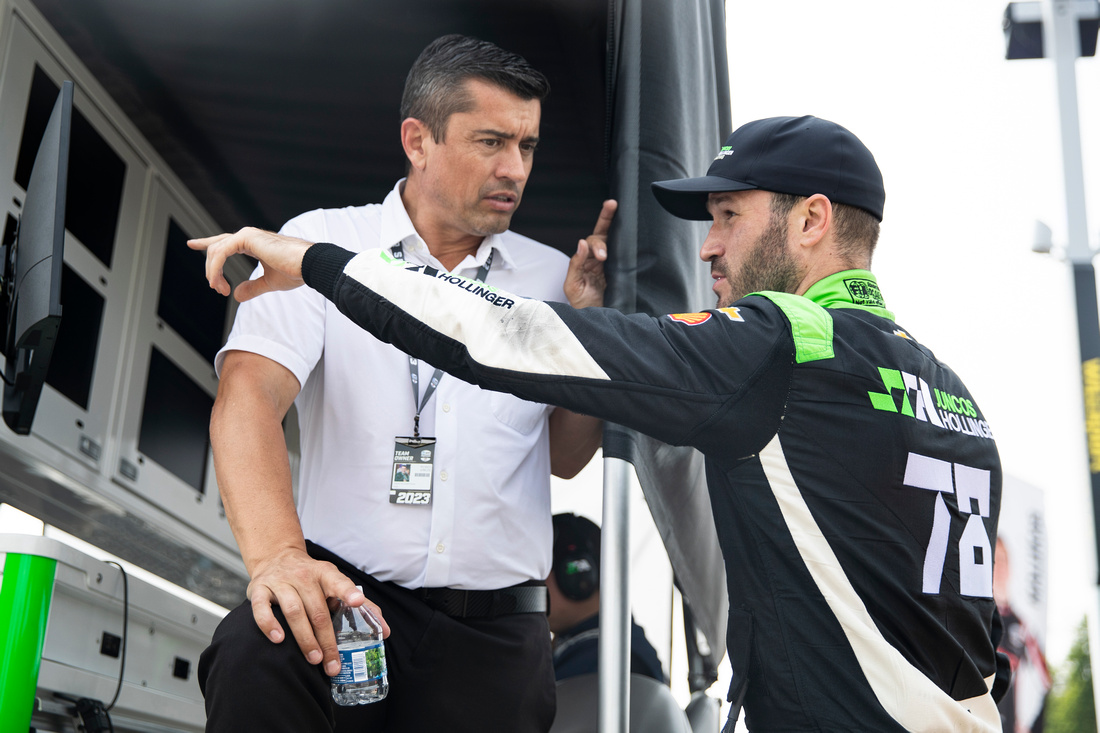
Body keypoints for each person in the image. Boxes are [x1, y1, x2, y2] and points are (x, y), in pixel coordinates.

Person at [193, 114, 1012, 732]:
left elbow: (510, 337)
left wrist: (319, 263)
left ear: (812, 220)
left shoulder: (780, 344)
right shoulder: (956, 396)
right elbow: (978, 636)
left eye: (729, 215)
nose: (708, 248)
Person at [196, 34, 614, 733]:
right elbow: (248, 399)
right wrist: (279, 559)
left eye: (527, 146)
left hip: (497, 642)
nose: (514, 169)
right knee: (252, 650)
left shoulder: (556, 282)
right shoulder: (317, 244)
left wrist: (591, 330)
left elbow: (567, 457)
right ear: (418, 141)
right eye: (491, 142)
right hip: (347, 603)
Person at [547, 513, 666, 684]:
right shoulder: (598, 647)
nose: (529, 582)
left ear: (579, 576)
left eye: (541, 569)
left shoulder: (606, 661)